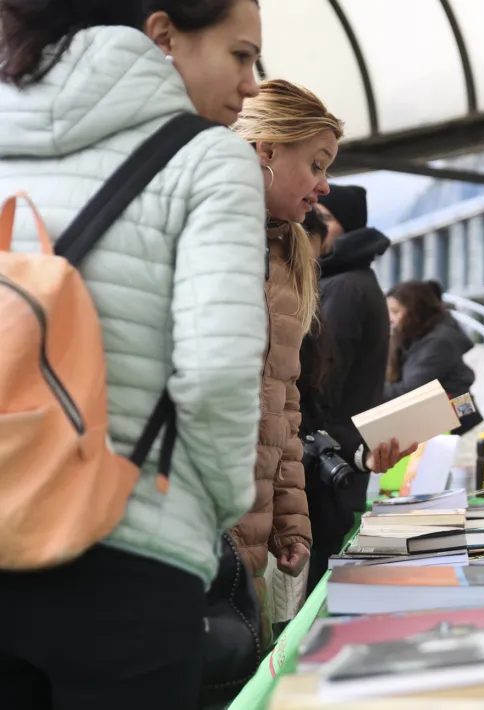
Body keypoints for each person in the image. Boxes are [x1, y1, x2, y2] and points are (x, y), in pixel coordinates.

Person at [0, 1, 267, 707]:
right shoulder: (210, 160)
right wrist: (213, 508)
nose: (252, 86)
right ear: (163, 35)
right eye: (241, 56)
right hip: (130, 557)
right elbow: (216, 375)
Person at [229, 78, 342, 646]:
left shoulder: (285, 253)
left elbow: (284, 402)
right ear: (267, 149)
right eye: (316, 164)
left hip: (248, 527)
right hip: (206, 521)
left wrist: (292, 521)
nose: (323, 186)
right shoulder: (214, 232)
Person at [301, 185, 403, 595]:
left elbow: (324, 382)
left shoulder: (343, 288)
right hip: (343, 457)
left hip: (330, 463)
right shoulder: (357, 281)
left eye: (324, 217)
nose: (315, 223)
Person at [385, 279, 484, 434]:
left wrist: (368, 391)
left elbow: (410, 392)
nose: (390, 319)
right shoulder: (417, 337)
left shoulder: (439, 343)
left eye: (395, 311)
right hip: (458, 414)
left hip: (462, 419)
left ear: (415, 311)